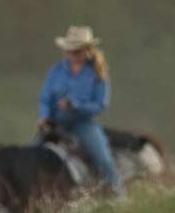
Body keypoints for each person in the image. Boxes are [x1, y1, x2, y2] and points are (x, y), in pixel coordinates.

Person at [36, 25, 122, 195]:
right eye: (69, 50)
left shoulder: (97, 73)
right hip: (54, 123)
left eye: (76, 51)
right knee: (31, 155)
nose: (71, 54)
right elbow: (45, 98)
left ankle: (118, 194)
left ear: (87, 51)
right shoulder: (57, 71)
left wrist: (75, 105)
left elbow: (100, 105)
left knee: (103, 159)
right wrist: (44, 117)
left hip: (83, 124)